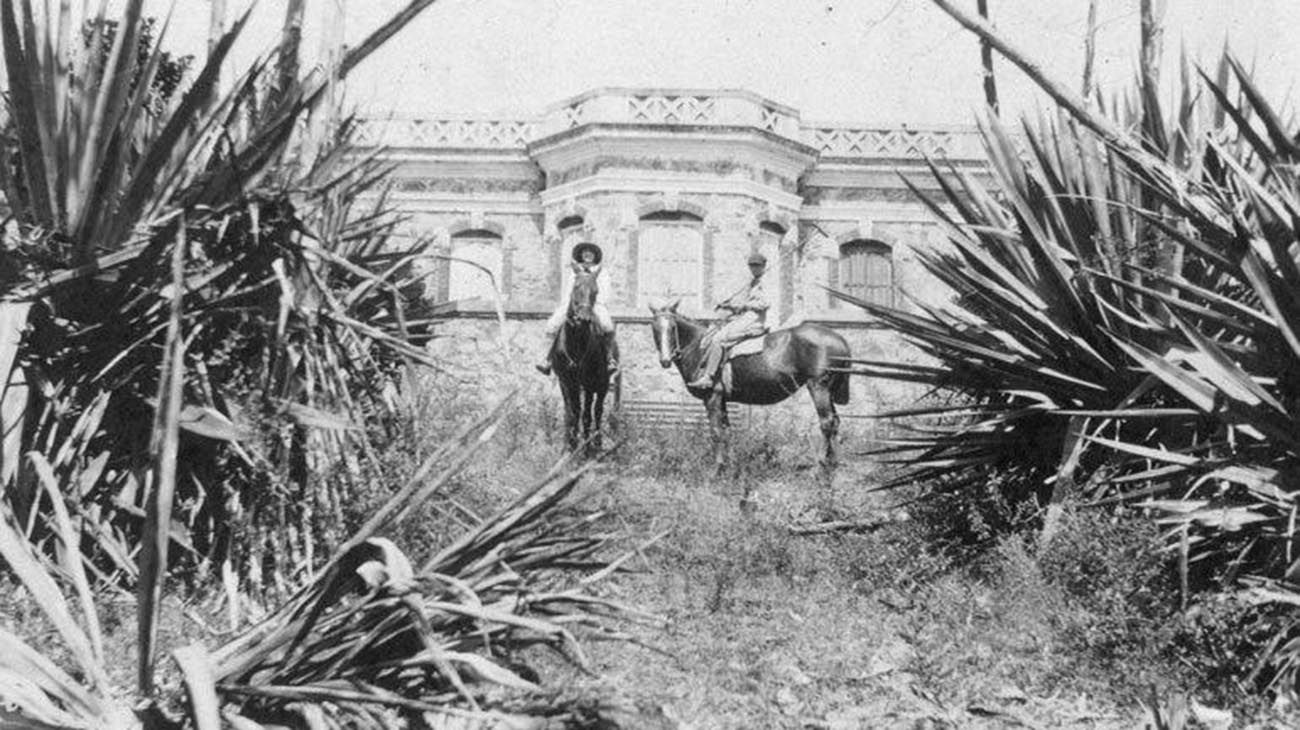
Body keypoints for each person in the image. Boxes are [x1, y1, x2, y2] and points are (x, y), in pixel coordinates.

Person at [686, 252, 770, 389]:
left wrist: (744, 305)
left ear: (764, 266)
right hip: (745, 317)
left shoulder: (765, 282)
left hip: (755, 319)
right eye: (752, 266)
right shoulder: (753, 282)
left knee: (718, 339)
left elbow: (764, 304)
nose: (754, 269)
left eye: (757, 266)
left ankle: (709, 377)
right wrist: (730, 306)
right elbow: (744, 303)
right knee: (712, 332)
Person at [536, 242, 619, 375]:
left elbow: (604, 291)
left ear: (595, 256)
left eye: (590, 252)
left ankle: (610, 359)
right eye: (584, 252)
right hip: (574, 303)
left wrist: (592, 303)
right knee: (552, 324)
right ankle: (546, 358)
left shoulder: (602, 272)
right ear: (581, 255)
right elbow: (568, 289)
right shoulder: (574, 271)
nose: (587, 255)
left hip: (594, 303)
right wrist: (572, 304)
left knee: (607, 325)